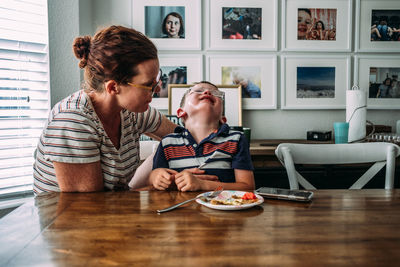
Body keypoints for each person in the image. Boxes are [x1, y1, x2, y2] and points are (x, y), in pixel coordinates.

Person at [33, 25, 178, 194]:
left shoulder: (132, 112)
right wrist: (153, 184)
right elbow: (91, 207)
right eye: (148, 85)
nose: (158, 89)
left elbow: (183, 137)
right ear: (113, 87)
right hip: (70, 218)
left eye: (157, 80)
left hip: (111, 212)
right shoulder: (72, 121)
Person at [149, 81, 255, 192]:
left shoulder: (236, 139)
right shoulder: (167, 143)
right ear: (181, 112)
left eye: (216, 94)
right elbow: (155, 179)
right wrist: (154, 176)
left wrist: (203, 185)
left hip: (221, 208)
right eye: (198, 91)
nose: (207, 92)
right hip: (180, 208)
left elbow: (248, 187)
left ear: (222, 119)